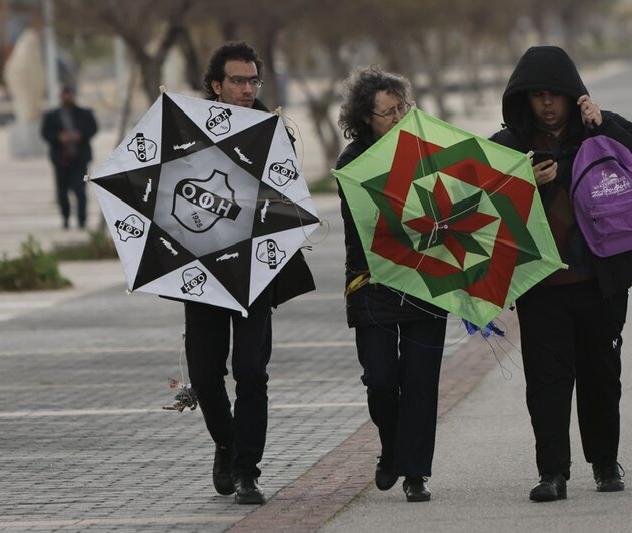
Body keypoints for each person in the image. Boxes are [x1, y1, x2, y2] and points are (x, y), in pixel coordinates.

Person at [489, 46, 632, 502]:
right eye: (537, 95)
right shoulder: (507, 147)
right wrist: (525, 184)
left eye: (555, 95)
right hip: (540, 286)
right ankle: (552, 473)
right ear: (523, 99)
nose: (547, 104)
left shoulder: (598, 131)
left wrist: (605, 125)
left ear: (572, 95)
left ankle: (605, 463)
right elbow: (480, 207)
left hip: (600, 281)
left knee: (600, 373)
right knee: (546, 380)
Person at [185, 41, 315, 505]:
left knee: (251, 371)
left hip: (256, 270)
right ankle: (226, 442)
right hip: (201, 270)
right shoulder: (188, 131)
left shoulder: (275, 133)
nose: (246, 89)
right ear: (216, 85)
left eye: (253, 81)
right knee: (203, 374)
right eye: (237, 81)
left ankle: (247, 471)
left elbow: (287, 204)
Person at [335, 65, 447, 502]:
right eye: (387, 113)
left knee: (421, 379)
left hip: (427, 278)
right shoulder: (351, 164)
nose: (399, 118)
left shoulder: (429, 151)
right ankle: (391, 448)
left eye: (403, 108)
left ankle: (415, 472)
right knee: (380, 380)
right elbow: (371, 221)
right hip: (372, 282)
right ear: (366, 118)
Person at [40, 85, 98, 229]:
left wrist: (81, 135)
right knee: (62, 193)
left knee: (80, 190)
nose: (67, 97)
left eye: (69, 94)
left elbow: (93, 128)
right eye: (65, 95)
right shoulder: (52, 116)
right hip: (61, 161)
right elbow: (45, 133)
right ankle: (65, 218)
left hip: (80, 160)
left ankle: (82, 220)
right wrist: (59, 137)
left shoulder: (84, 113)